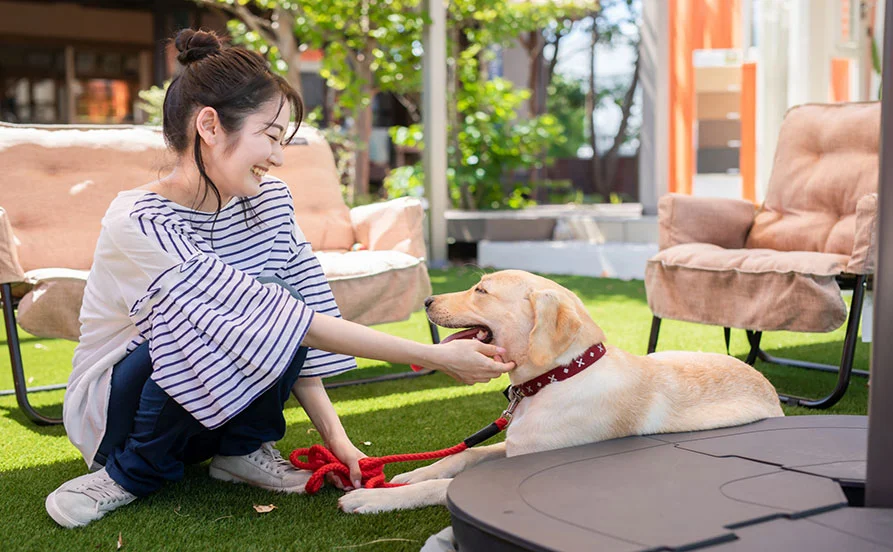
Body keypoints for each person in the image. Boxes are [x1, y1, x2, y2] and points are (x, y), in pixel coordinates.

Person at [45, 29, 514, 529]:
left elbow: (304, 317)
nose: (279, 156)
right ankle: (127, 475)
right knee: (214, 313)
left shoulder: (269, 201)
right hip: (120, 417)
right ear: (209, 125)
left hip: (206, 416)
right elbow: (273, 318)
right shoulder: (139, 221)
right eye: (270, 136)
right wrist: (435, 356)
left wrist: (341, 443)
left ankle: (240, 451)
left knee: (280, 299)